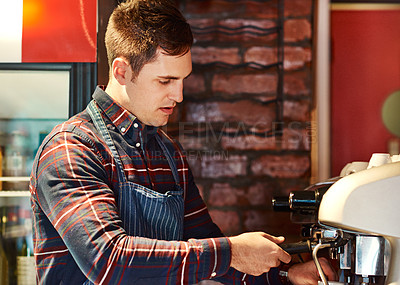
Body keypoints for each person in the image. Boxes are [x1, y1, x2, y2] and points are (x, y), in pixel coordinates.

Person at [29, 0, 337, 284]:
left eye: (182, 80)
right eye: (165, 81)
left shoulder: (168, 152)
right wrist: (231, 250)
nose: (179, 95)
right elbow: (108, 261)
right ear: (121, 71)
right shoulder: (72, 148)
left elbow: (204, 242)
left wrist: (287, 276)